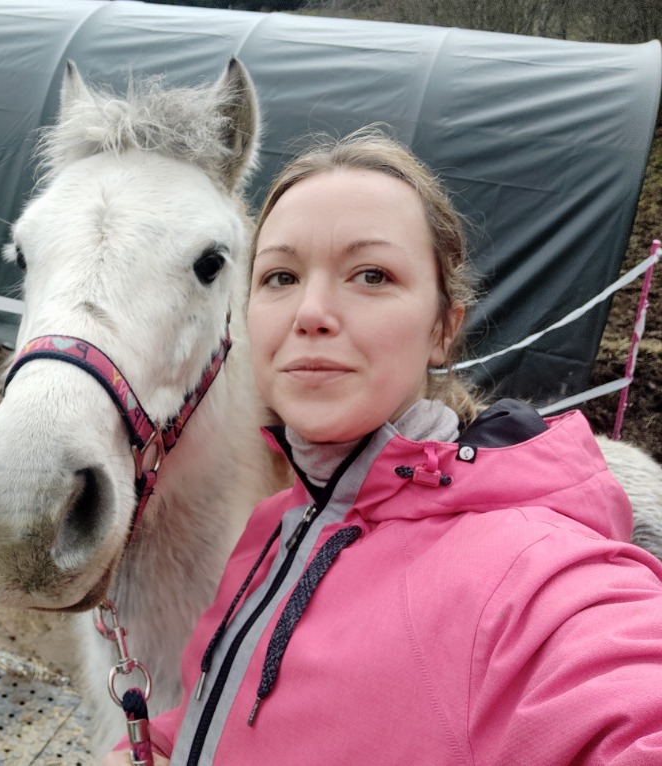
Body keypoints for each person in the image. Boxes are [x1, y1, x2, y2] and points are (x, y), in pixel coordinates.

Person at [102, 127, 662, 765]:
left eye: (371, 275)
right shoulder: (277, 525)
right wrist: (156, 746)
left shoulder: (530, 573)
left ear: (442, 330)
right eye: (280, 276)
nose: (311, 311)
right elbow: (229, 710)